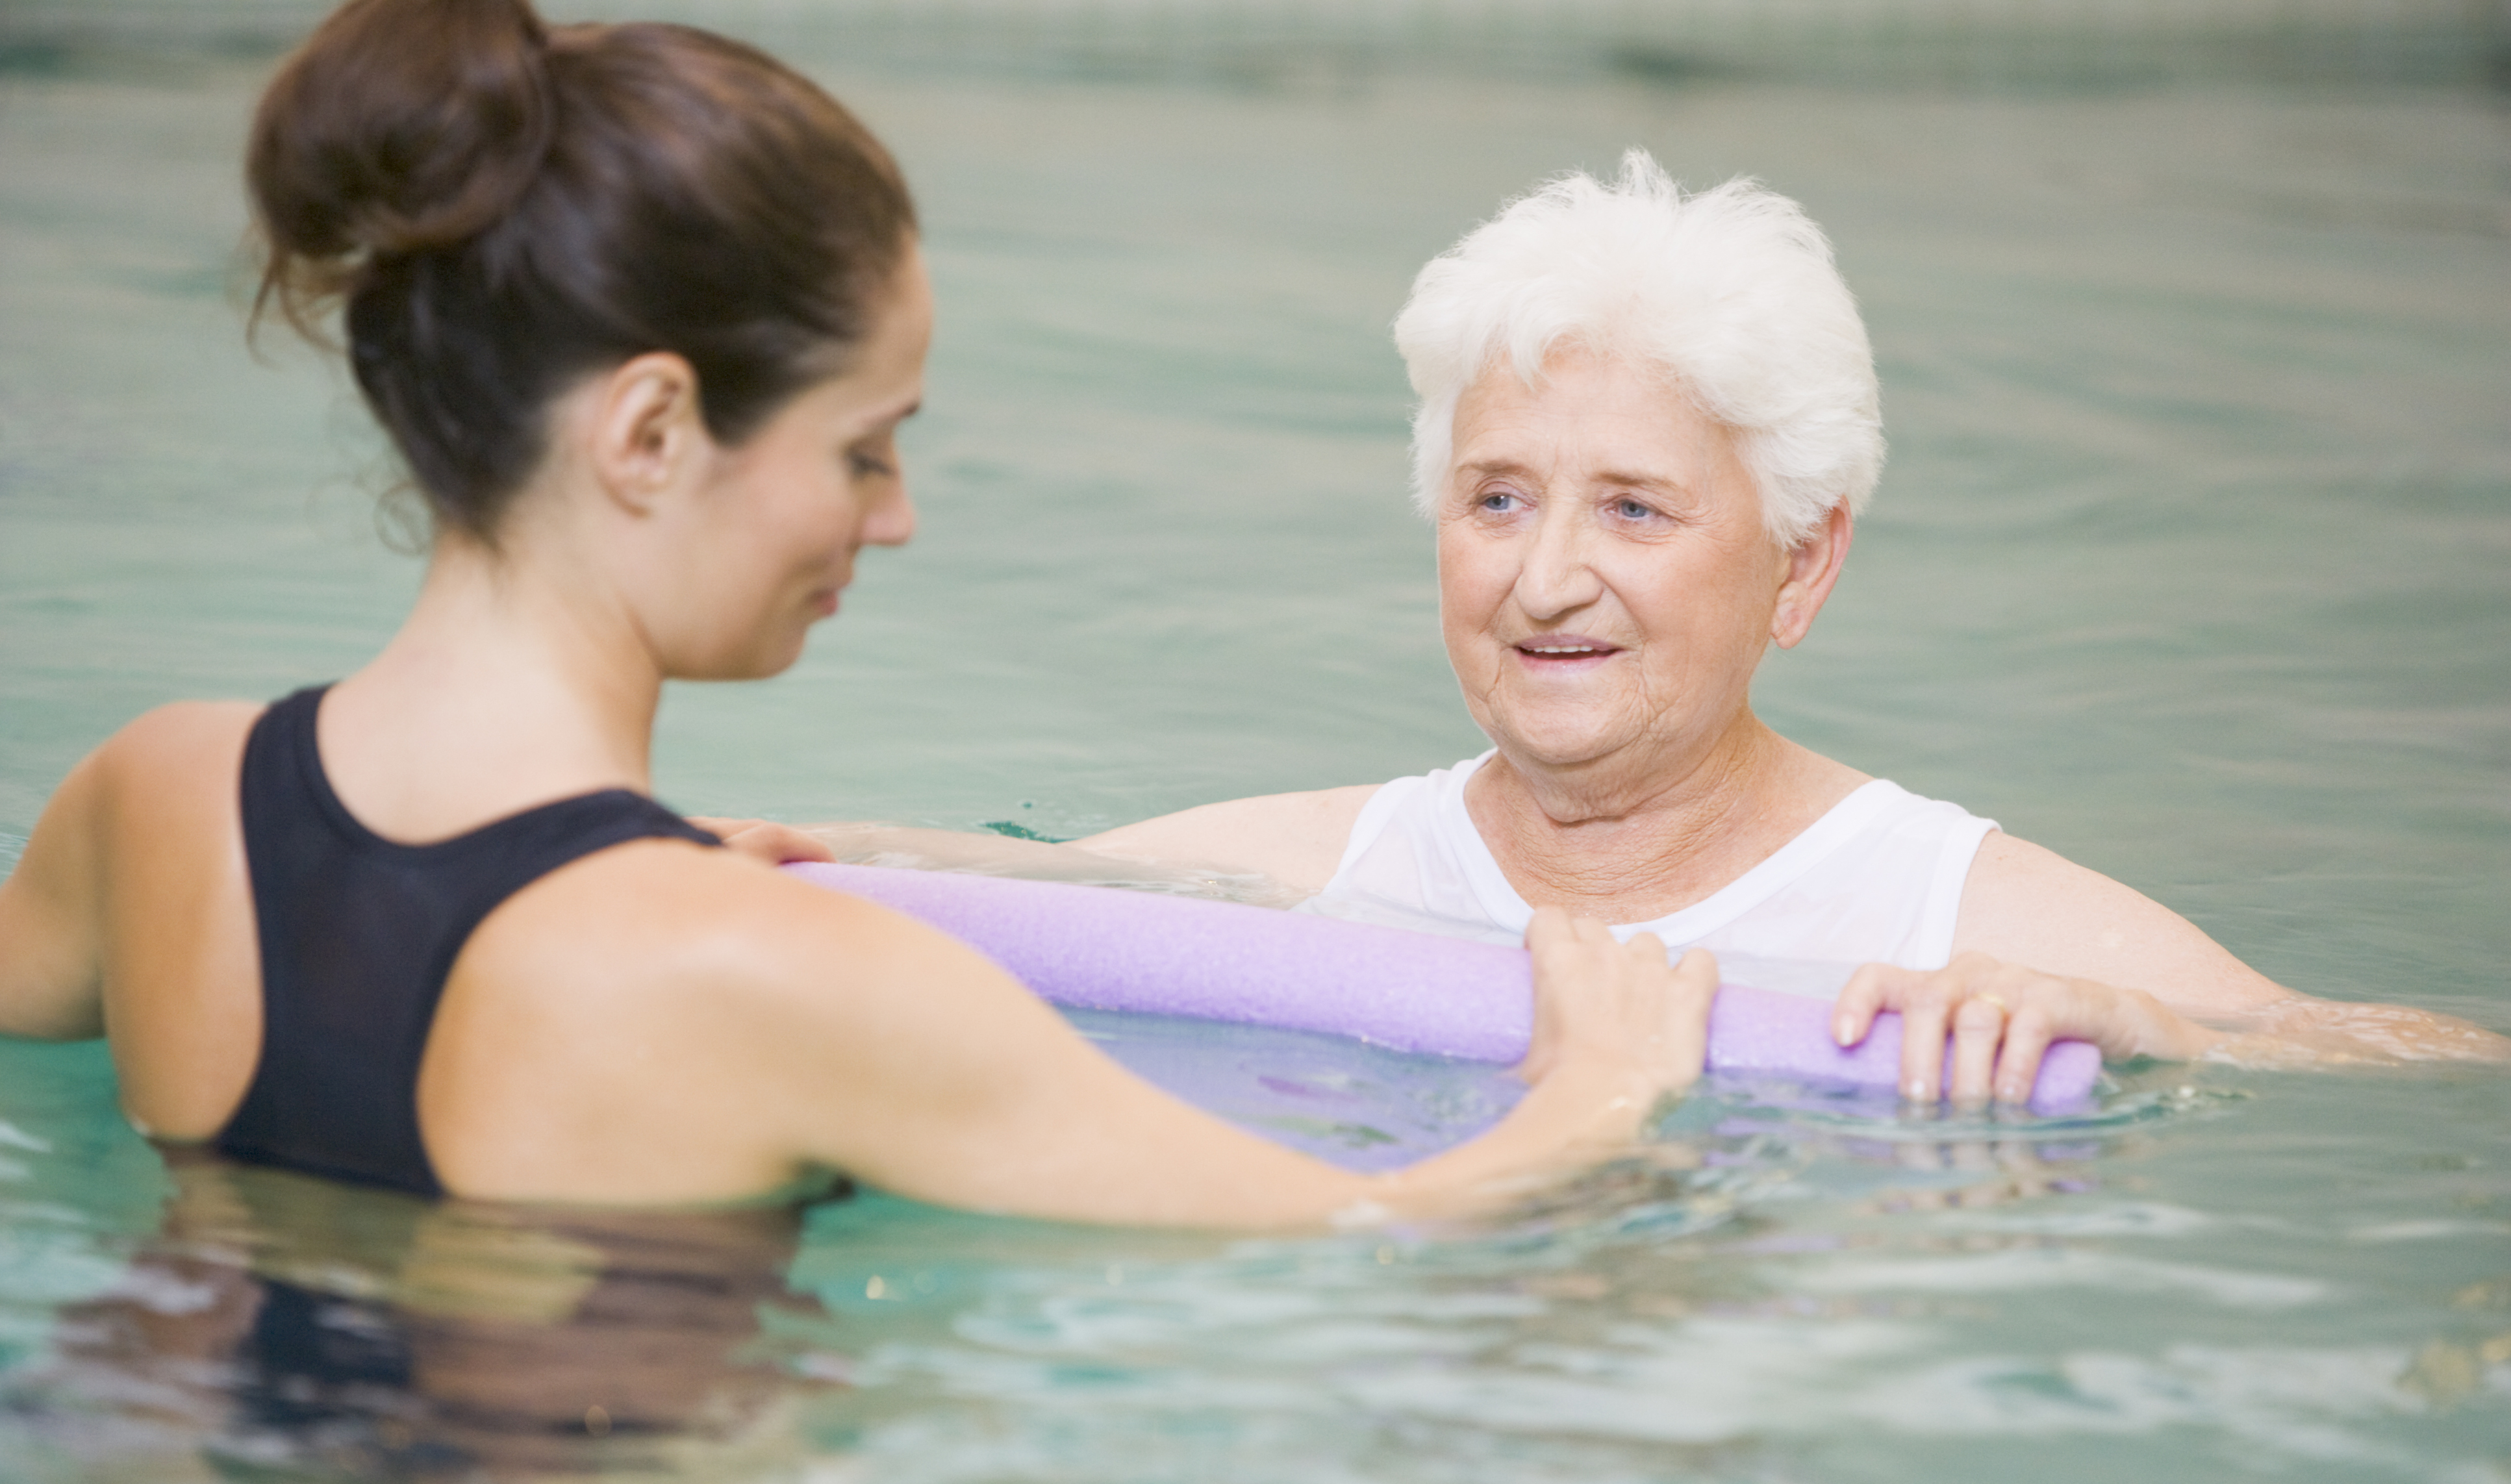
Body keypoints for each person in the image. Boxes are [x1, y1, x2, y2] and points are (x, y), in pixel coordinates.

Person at [0, 0, 1719, 1227]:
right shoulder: (781, 972)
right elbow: (1374, 1218)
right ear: (652, 431)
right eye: (863, 448)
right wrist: (1597, 1094)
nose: (892, 520)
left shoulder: (155, 799)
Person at [790, 153, 2505, 1101]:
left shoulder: (1956, 913)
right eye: (1493, 498)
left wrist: (2151, 1025)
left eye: (1632, 507)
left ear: (1802, 566)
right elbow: (976, 882)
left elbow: (2438, 1066)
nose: (1542, 579)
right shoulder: (1325, 862)